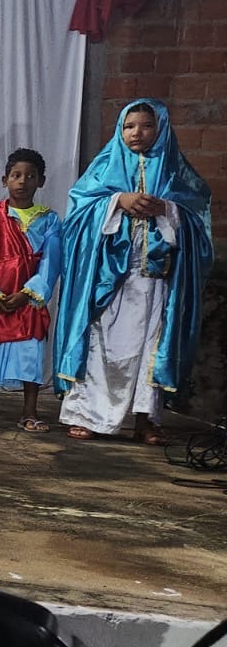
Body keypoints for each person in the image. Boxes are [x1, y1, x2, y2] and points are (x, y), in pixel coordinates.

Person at [55, 99, 213, 445]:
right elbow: (78, 215)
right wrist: (116, 202)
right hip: (110, 278)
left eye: (146, 126)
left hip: (155, 280)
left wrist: (167, 209)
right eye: (129, 126)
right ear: (120, 130)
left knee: (151, 348)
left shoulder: (175, 171)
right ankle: (88, 415)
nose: (136, 133)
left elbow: (197, 215)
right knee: (101, 343)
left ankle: (146, 419)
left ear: (161, 129)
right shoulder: (104, 167)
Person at [0, 148, 62, 431]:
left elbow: (51, 262)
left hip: (27, 303)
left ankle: (29, 411)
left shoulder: (50, 220)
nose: (22, 181)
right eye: (16, 175)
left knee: (30, 356)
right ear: (4, 180)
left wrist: (27, 294)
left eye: (30, 176)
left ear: (41, 181)